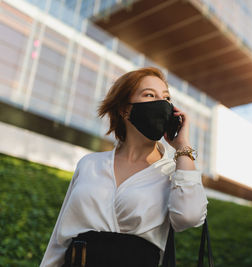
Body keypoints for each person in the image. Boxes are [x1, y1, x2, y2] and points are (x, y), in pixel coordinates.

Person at [40, 67, 208, 267]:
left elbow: (189, 217)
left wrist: (183, 147)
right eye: (149, 95)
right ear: (124, 109)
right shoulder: (90, 164)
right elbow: (59, 239)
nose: (162, 103)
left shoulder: (174, 172)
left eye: (167, 98)